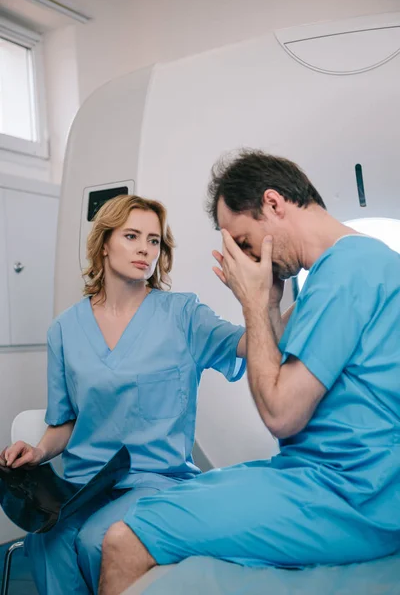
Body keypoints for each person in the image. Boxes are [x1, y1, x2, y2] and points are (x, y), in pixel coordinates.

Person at [98, 150, 400, 595]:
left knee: (125, 538)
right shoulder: (354, 267)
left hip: (346, 495)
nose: (244, 257)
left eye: (242, 241)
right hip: (341, 482)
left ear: (274, 204)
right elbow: (277, 354)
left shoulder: (345, 274)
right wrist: (271, 304)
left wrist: (254, 304)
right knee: (169, 500)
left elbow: (280, 413)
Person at [0, 194, 247, 595]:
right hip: (83, 484)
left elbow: (249, 345)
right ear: (104, 244)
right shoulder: (64, 329)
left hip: (156, 479)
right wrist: (38, 451)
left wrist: (265, 296)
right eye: (132, 236)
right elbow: (64, 421)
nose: (145, 249)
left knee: (96, 540)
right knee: (48, 541)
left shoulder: (182, 314)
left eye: (154, 240)